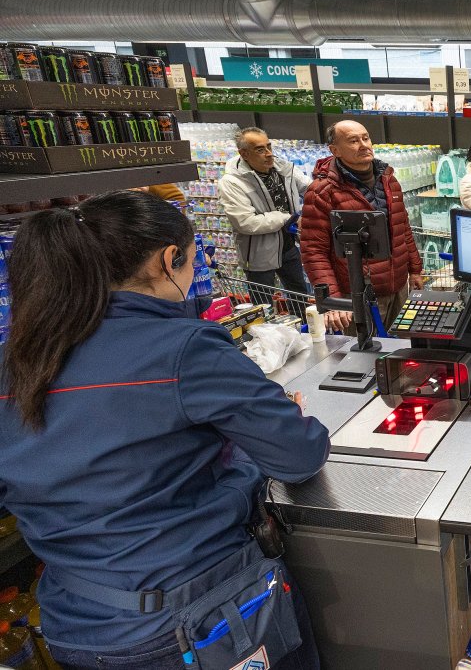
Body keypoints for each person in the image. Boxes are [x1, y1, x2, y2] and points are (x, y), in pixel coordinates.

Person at [0, 191, 330, 669]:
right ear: (168, 259)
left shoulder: (16, 361)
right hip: (198, 619)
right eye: (193, 262)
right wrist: (242, 447)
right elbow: (299, 455)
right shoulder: (186, 348)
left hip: (75, 626)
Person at [301, 120, 423, 334]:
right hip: (358, 295)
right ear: (335, 150)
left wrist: (415, 270)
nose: (364, 145)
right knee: (366, 351)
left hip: (398, 288)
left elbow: (402, 228)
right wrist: (332, 299)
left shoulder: (389, 180)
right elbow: (314, 251)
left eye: (366, 138)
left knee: (404, 346)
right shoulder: (322, 192)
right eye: (353, 141)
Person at [218, 127, 312, 317]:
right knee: (263, 307)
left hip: (288, 246)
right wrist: (287, 218)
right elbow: (245, 222)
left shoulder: (283, 168)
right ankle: (267, 334)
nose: (269, 153)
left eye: (269, 146)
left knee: (300, 297)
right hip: (258, 254)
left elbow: (310, 188)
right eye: (260, 149)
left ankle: (303, 329)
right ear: (244, 154)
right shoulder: (232, 182)